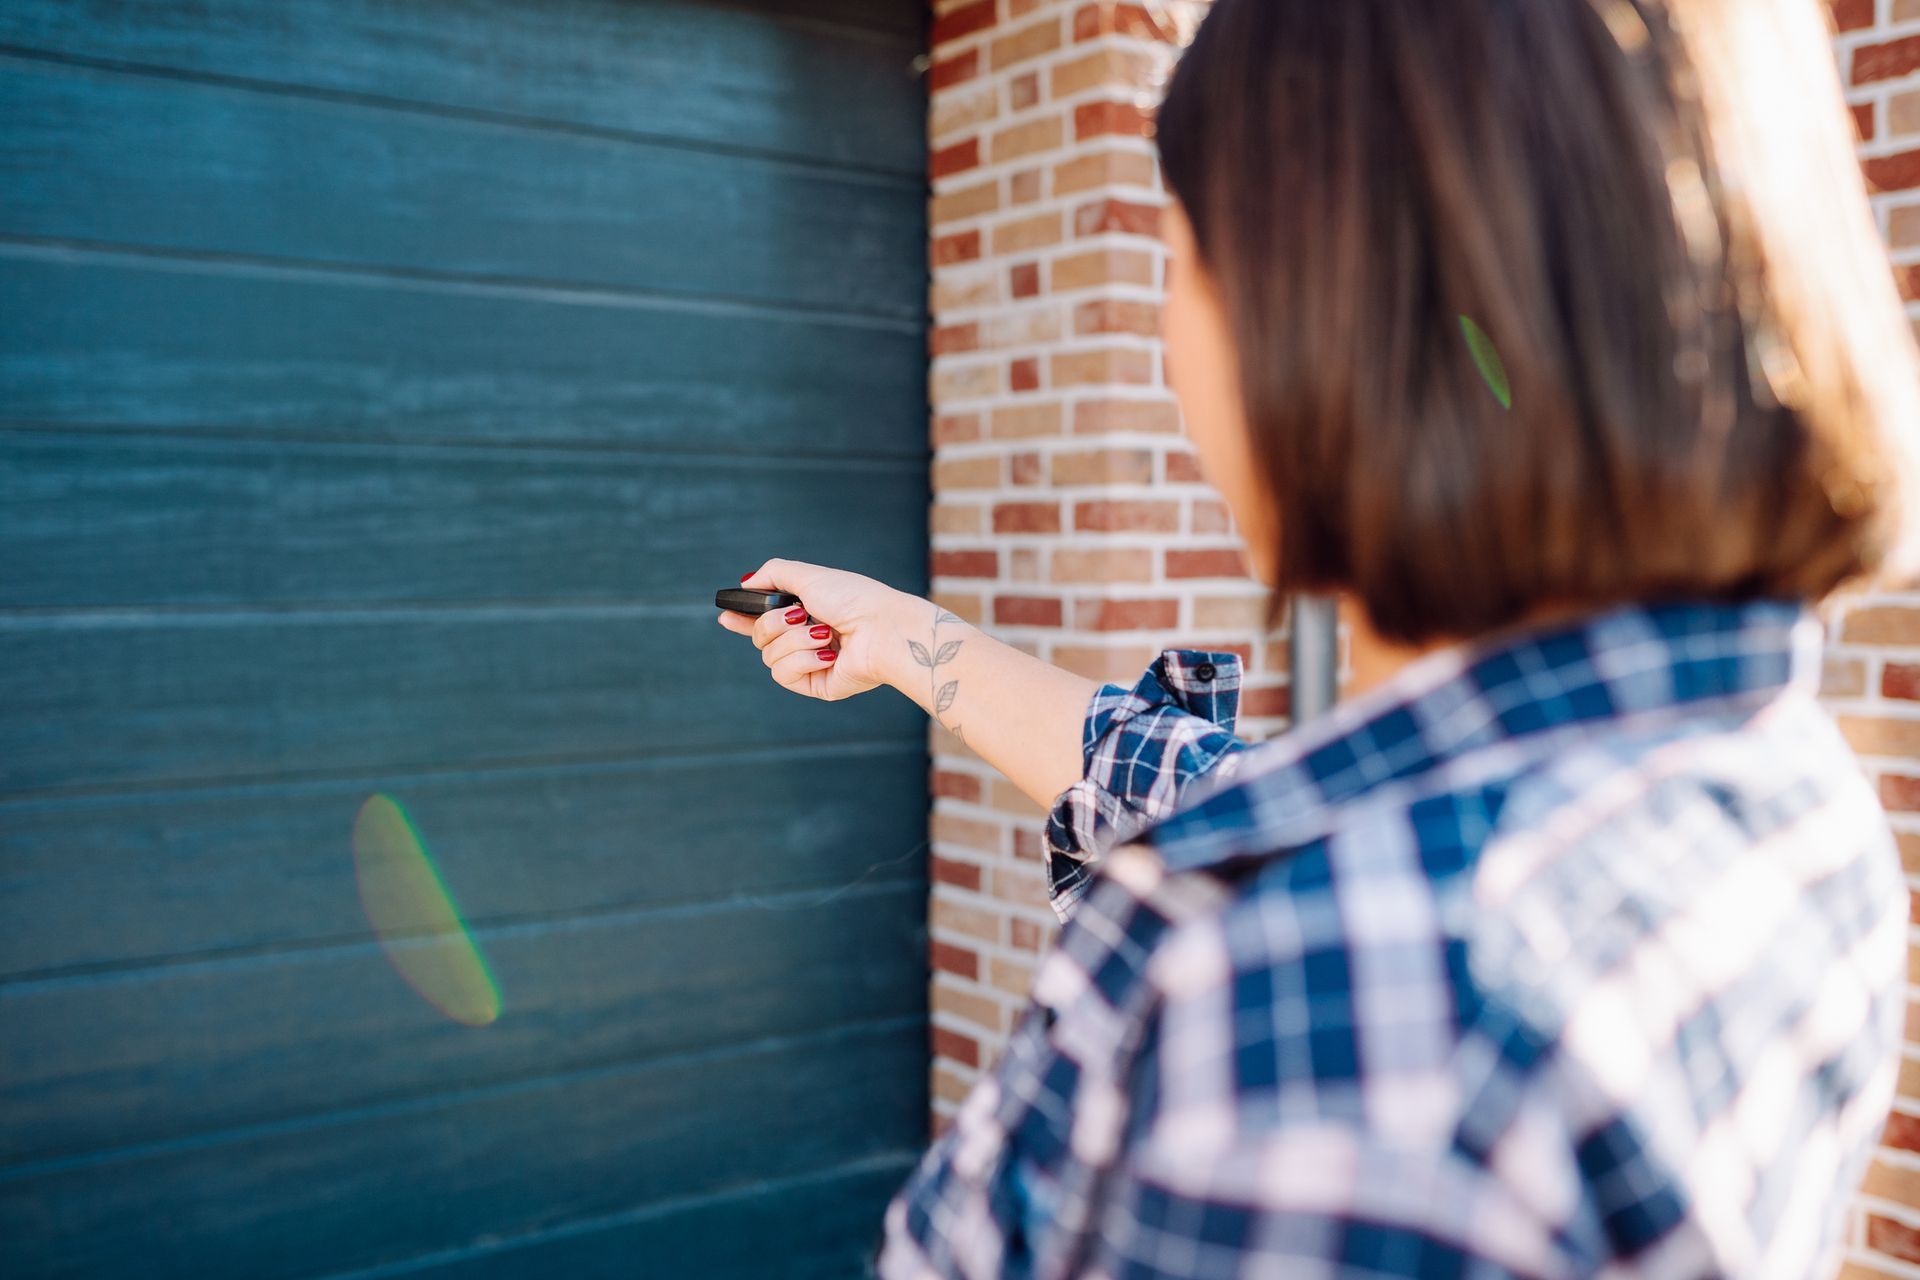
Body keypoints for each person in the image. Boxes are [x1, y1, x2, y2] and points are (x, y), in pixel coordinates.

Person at [717, 0, 1920, 1273]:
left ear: (1333, 313)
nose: (1173, 353)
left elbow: (1315, 899)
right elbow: (1229, 792)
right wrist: (906, 637)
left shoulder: (1297, 996)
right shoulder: (1777, 796)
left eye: (1180, 259)